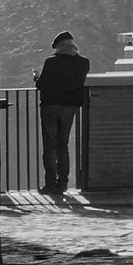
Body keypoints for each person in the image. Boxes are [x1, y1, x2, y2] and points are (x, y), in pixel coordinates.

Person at [34, 31, 88, 200]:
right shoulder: (83, 63)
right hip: (69, 107)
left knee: (49, 147)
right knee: (62, 145)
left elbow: (42, 84)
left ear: (59, 47)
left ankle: (50, 184)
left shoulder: (51, 62)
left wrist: (36, 77)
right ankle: (62, 183)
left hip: (50, 107)